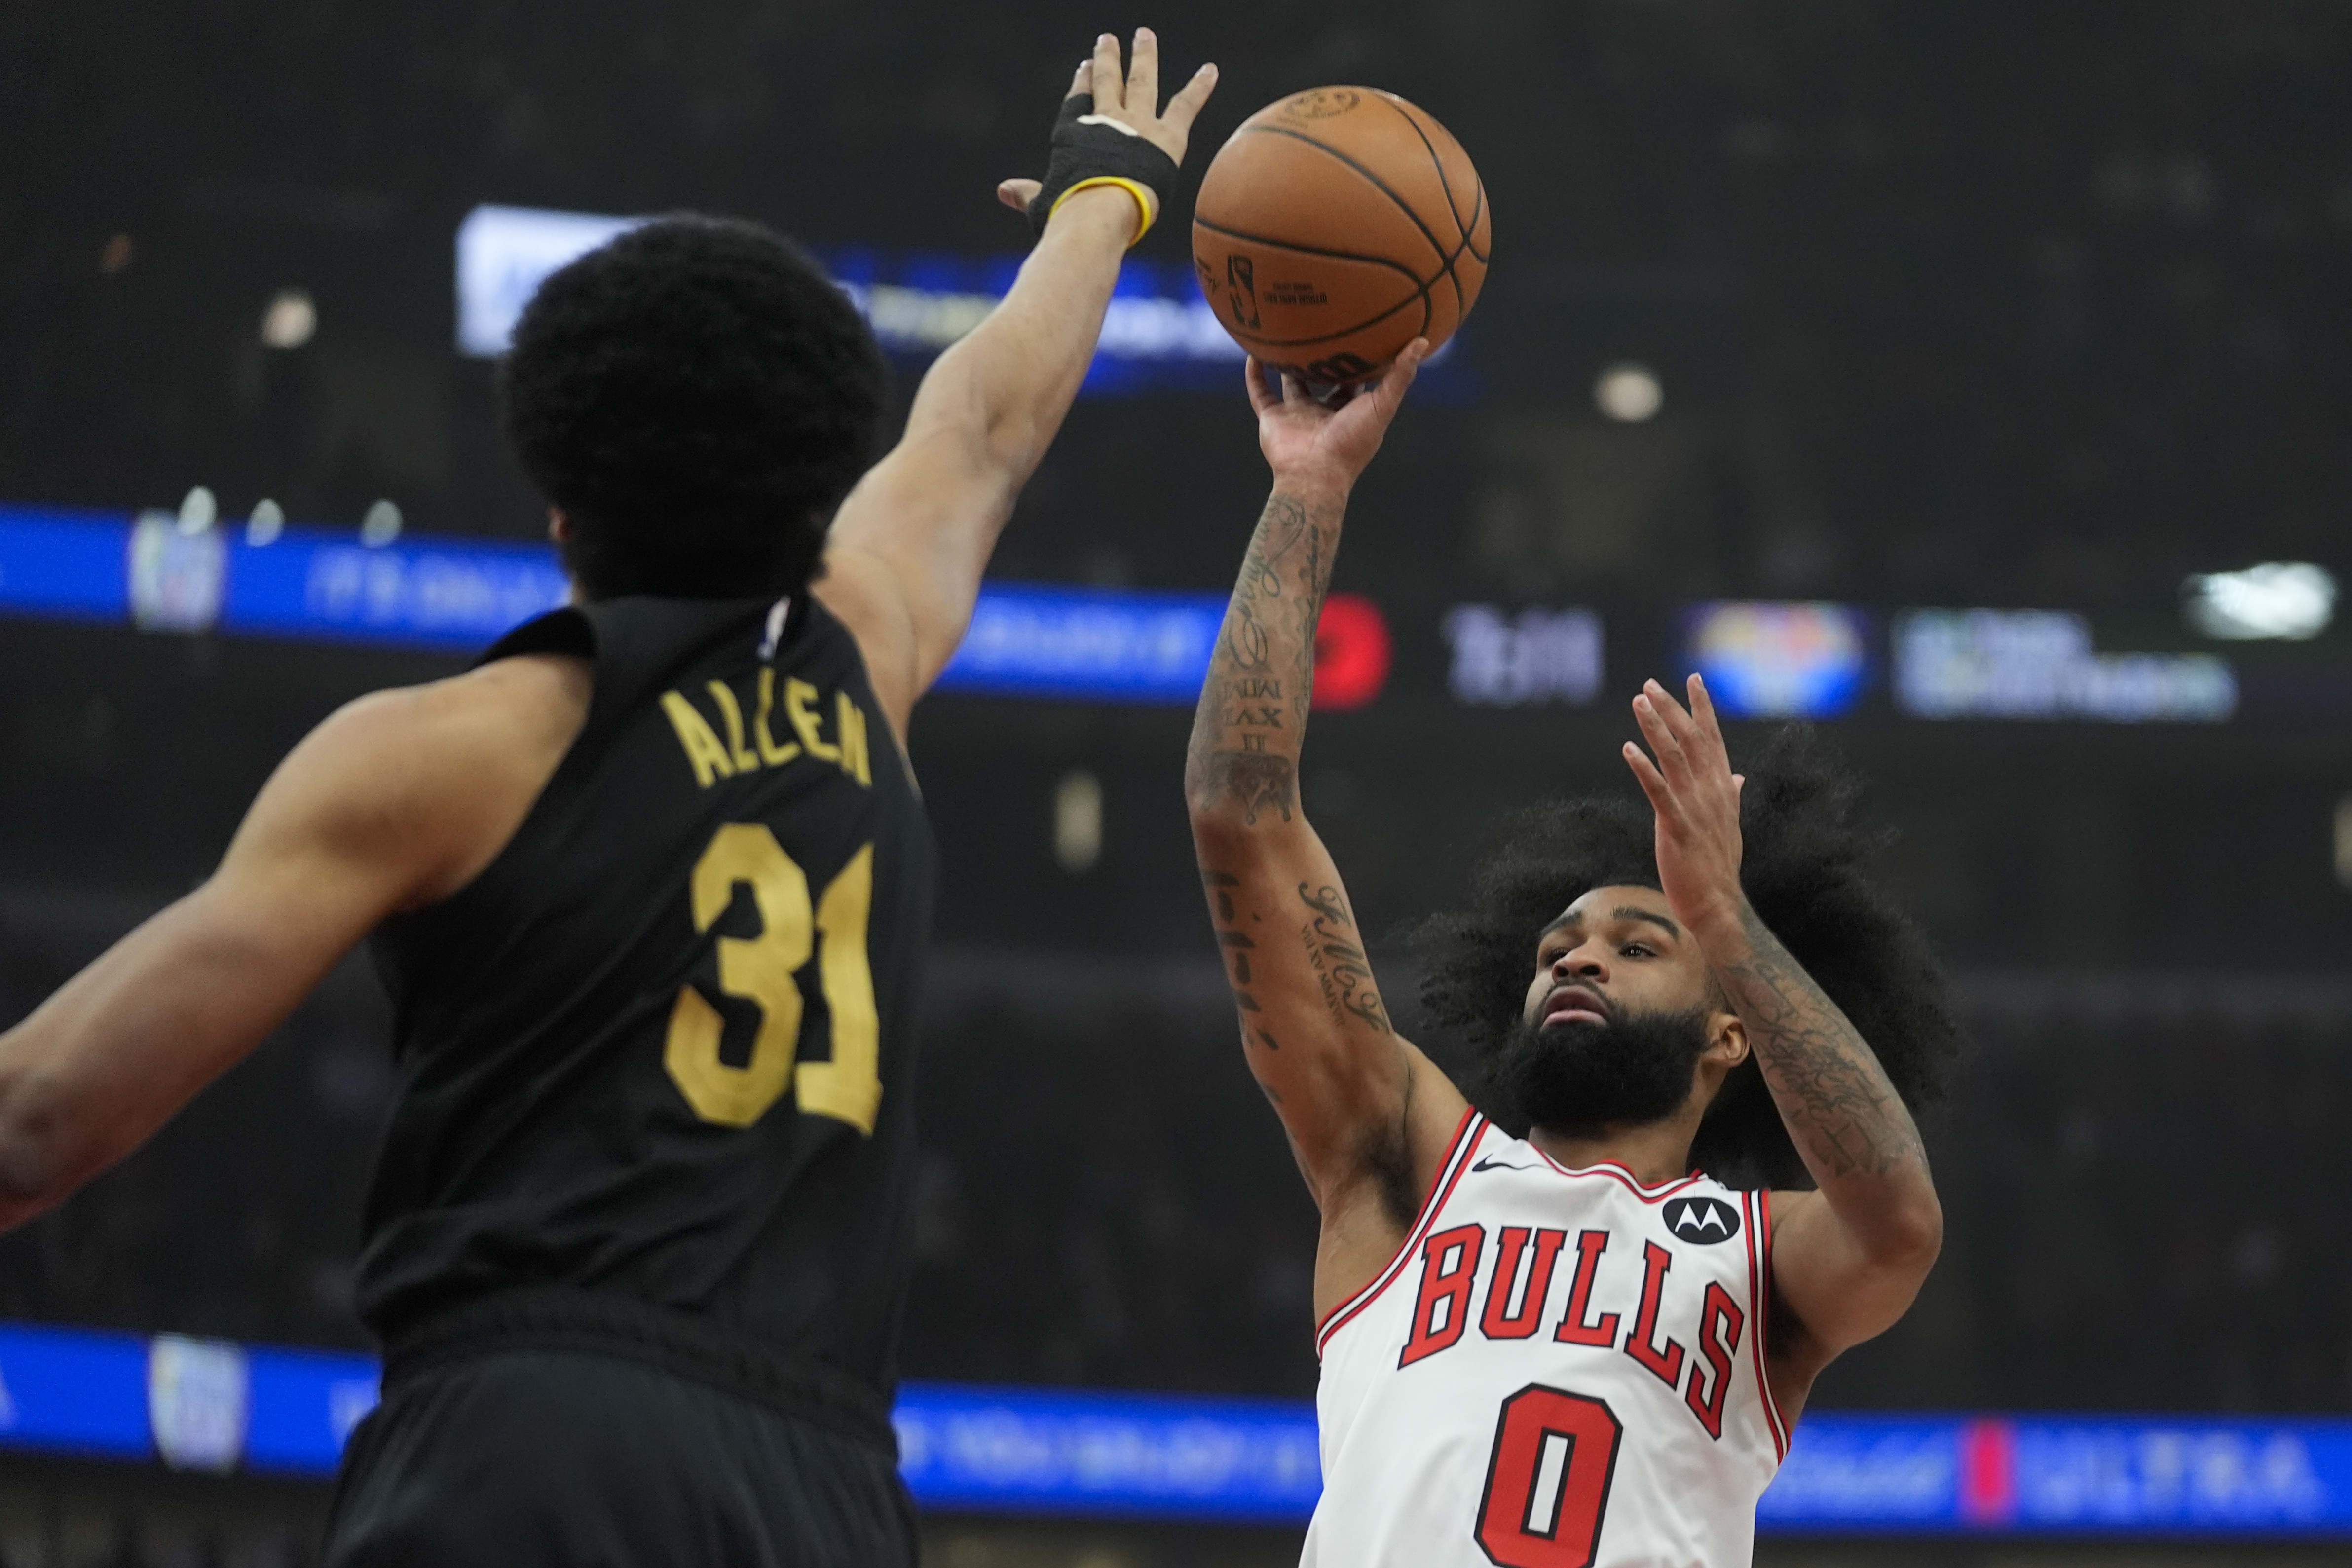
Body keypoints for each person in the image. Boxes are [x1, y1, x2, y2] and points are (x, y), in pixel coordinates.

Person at [0, 31, 1215, 1567]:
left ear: (556, 488)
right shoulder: (869, 651)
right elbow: (982, 424)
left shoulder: (458, 745)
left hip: (532, 1436)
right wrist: (1104, 197)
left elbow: (37, 1124)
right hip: (823, 1481)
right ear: (818, 471)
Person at [1185, 345, 1962, 1567]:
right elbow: (1242, 810)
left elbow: (1897, 1223)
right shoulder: (1407, 1167)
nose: (1576, 959)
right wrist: (1309, 491)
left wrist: (1727, 920)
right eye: (1559, 947)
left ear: (1728, 1029)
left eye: (1636, 941)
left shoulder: (1759, 1264)